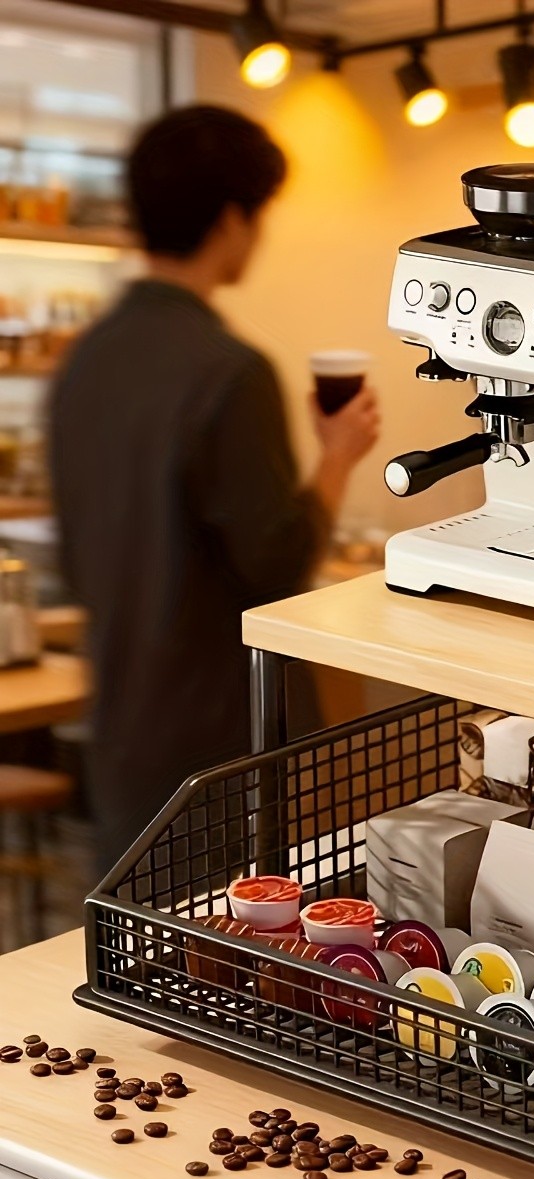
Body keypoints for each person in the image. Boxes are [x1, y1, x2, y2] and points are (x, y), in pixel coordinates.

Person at [49, 105, 380, 877]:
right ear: (233, 218)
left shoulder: (86, 360)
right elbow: (277, 565)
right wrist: (337, 457)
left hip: (125, 727)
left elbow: (76, 561)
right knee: (236, 966)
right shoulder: (230, 371)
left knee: (134, 963)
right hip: (220, 745)